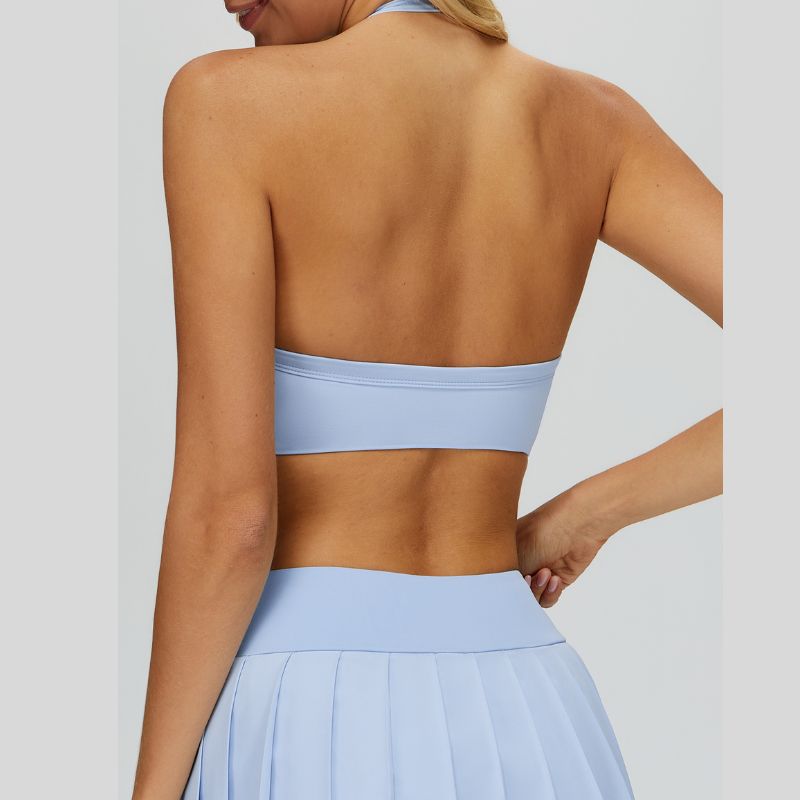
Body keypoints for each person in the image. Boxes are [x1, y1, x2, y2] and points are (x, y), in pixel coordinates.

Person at [132, 0, 722, 797]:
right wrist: (591, 512)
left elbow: (230, 520)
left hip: (306, 718)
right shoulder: (595, 121)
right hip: (535, 722)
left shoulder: (226, 103)